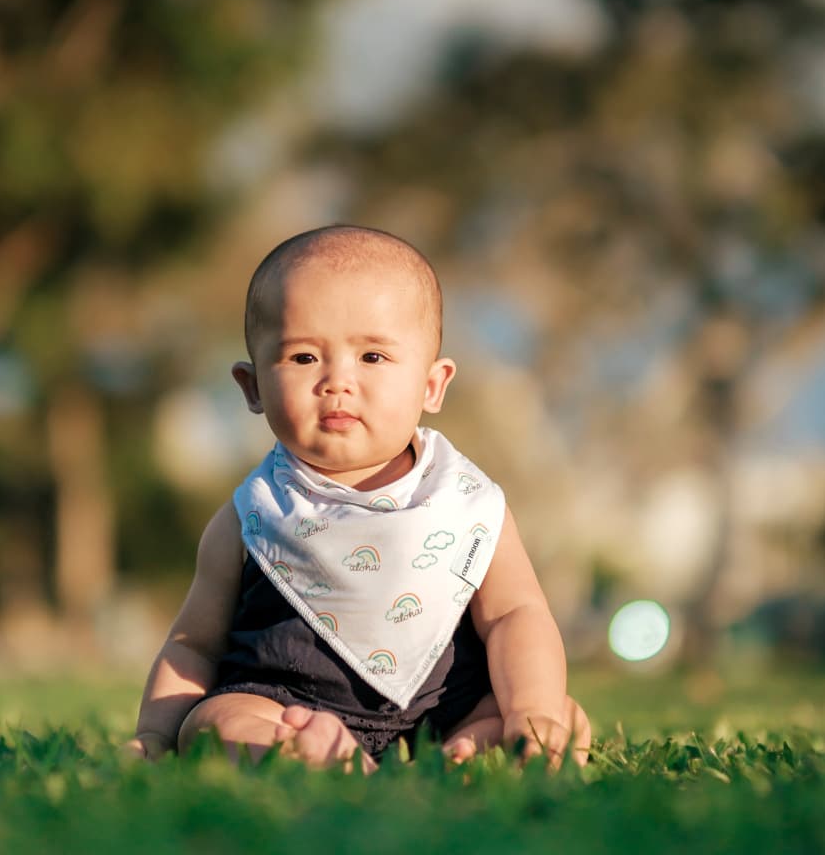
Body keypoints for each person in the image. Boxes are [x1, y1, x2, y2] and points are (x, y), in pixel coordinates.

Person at [126, 225, 590, 770]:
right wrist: (155, 735)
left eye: (372, 357)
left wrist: (532, 711)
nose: (337, 381)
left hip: (446, 710)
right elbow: (193, 645)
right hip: (286, 706)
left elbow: (516, 616)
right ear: (252, 387)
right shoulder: (253, 513)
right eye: (303, 358)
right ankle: (312, 754)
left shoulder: (467, 504)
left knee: (552, 708)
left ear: (431, 385)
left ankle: (476, 748)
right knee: (214, 721)